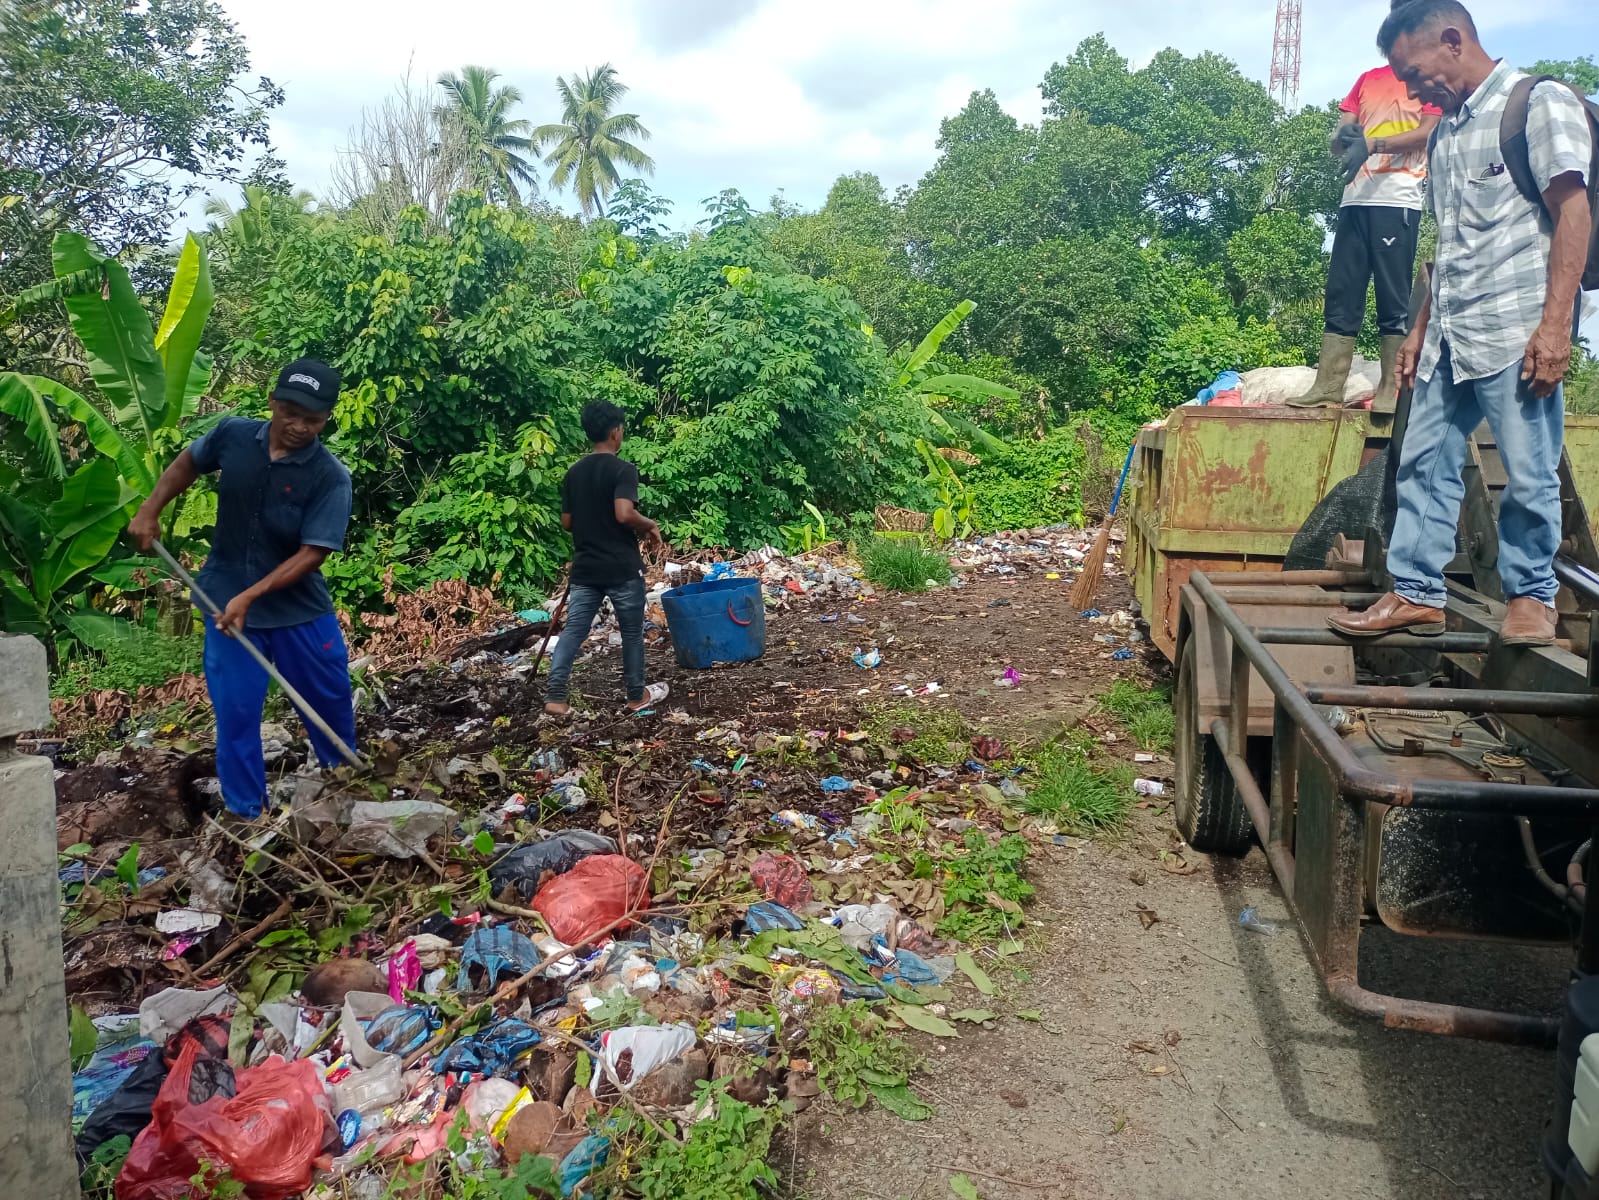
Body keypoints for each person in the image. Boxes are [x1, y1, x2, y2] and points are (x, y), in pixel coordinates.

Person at [1329, 0, 1593, 644]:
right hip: (1451, 332)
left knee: (1529, 470)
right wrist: (1419, 331)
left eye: (1413, 75)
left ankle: (1532, 596)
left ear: (1452, 41)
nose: (1413, 92)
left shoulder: (1537, 103)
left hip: (1517, 329)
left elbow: (1574, 215)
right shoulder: (1445, 133)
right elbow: (1450, 244)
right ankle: (1416, 593)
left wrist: (1557, 326)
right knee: (1422, 462)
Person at [128, 359, 358, 818]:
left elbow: (314, 552)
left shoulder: (331, 476)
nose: (298, 426)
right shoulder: (231, 435)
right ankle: (246, 814)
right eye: (289, 412)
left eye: (312, 420)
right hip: (224, 603)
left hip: (299, 611)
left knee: (329, 703)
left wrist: (252, 595)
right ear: (272, 401)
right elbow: (187, 463)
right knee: (236, 713)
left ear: (326, 419)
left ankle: (343, 789)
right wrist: (149, 509)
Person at [1291, 0, 1442, 409]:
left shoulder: (1425, 79)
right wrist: (1346, 137)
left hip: (1398, 198)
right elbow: (1340, 137)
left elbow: (1427, 134)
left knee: (1392, 297)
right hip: (1355, 197)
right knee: (1342, 291)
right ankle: (1328, 385)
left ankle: (1390, 389)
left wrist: (1372, 143)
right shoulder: (1367, 80)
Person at [543, 400, 669, 716]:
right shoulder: (623, 470)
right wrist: (649, 525)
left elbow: (567, 522)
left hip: (586, 567)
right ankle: (635, 696)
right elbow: (624, 513)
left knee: (573, 631)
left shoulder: (574, 473)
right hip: (621, 566)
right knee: (631, 633)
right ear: (615, 432)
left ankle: (556, 697)